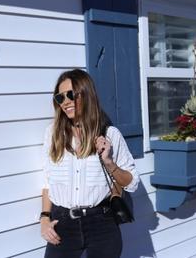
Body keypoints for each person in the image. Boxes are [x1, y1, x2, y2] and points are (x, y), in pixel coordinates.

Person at [40, 69, 139, 258]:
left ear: (86, 95)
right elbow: (47, 182)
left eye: (71, 95)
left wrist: (109, 162)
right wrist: (44, 218)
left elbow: (132, 182)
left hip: (101, 223)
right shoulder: (52, 134)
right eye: (60, 98)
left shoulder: (110, 134)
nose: (66, 102)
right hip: (63, 224)